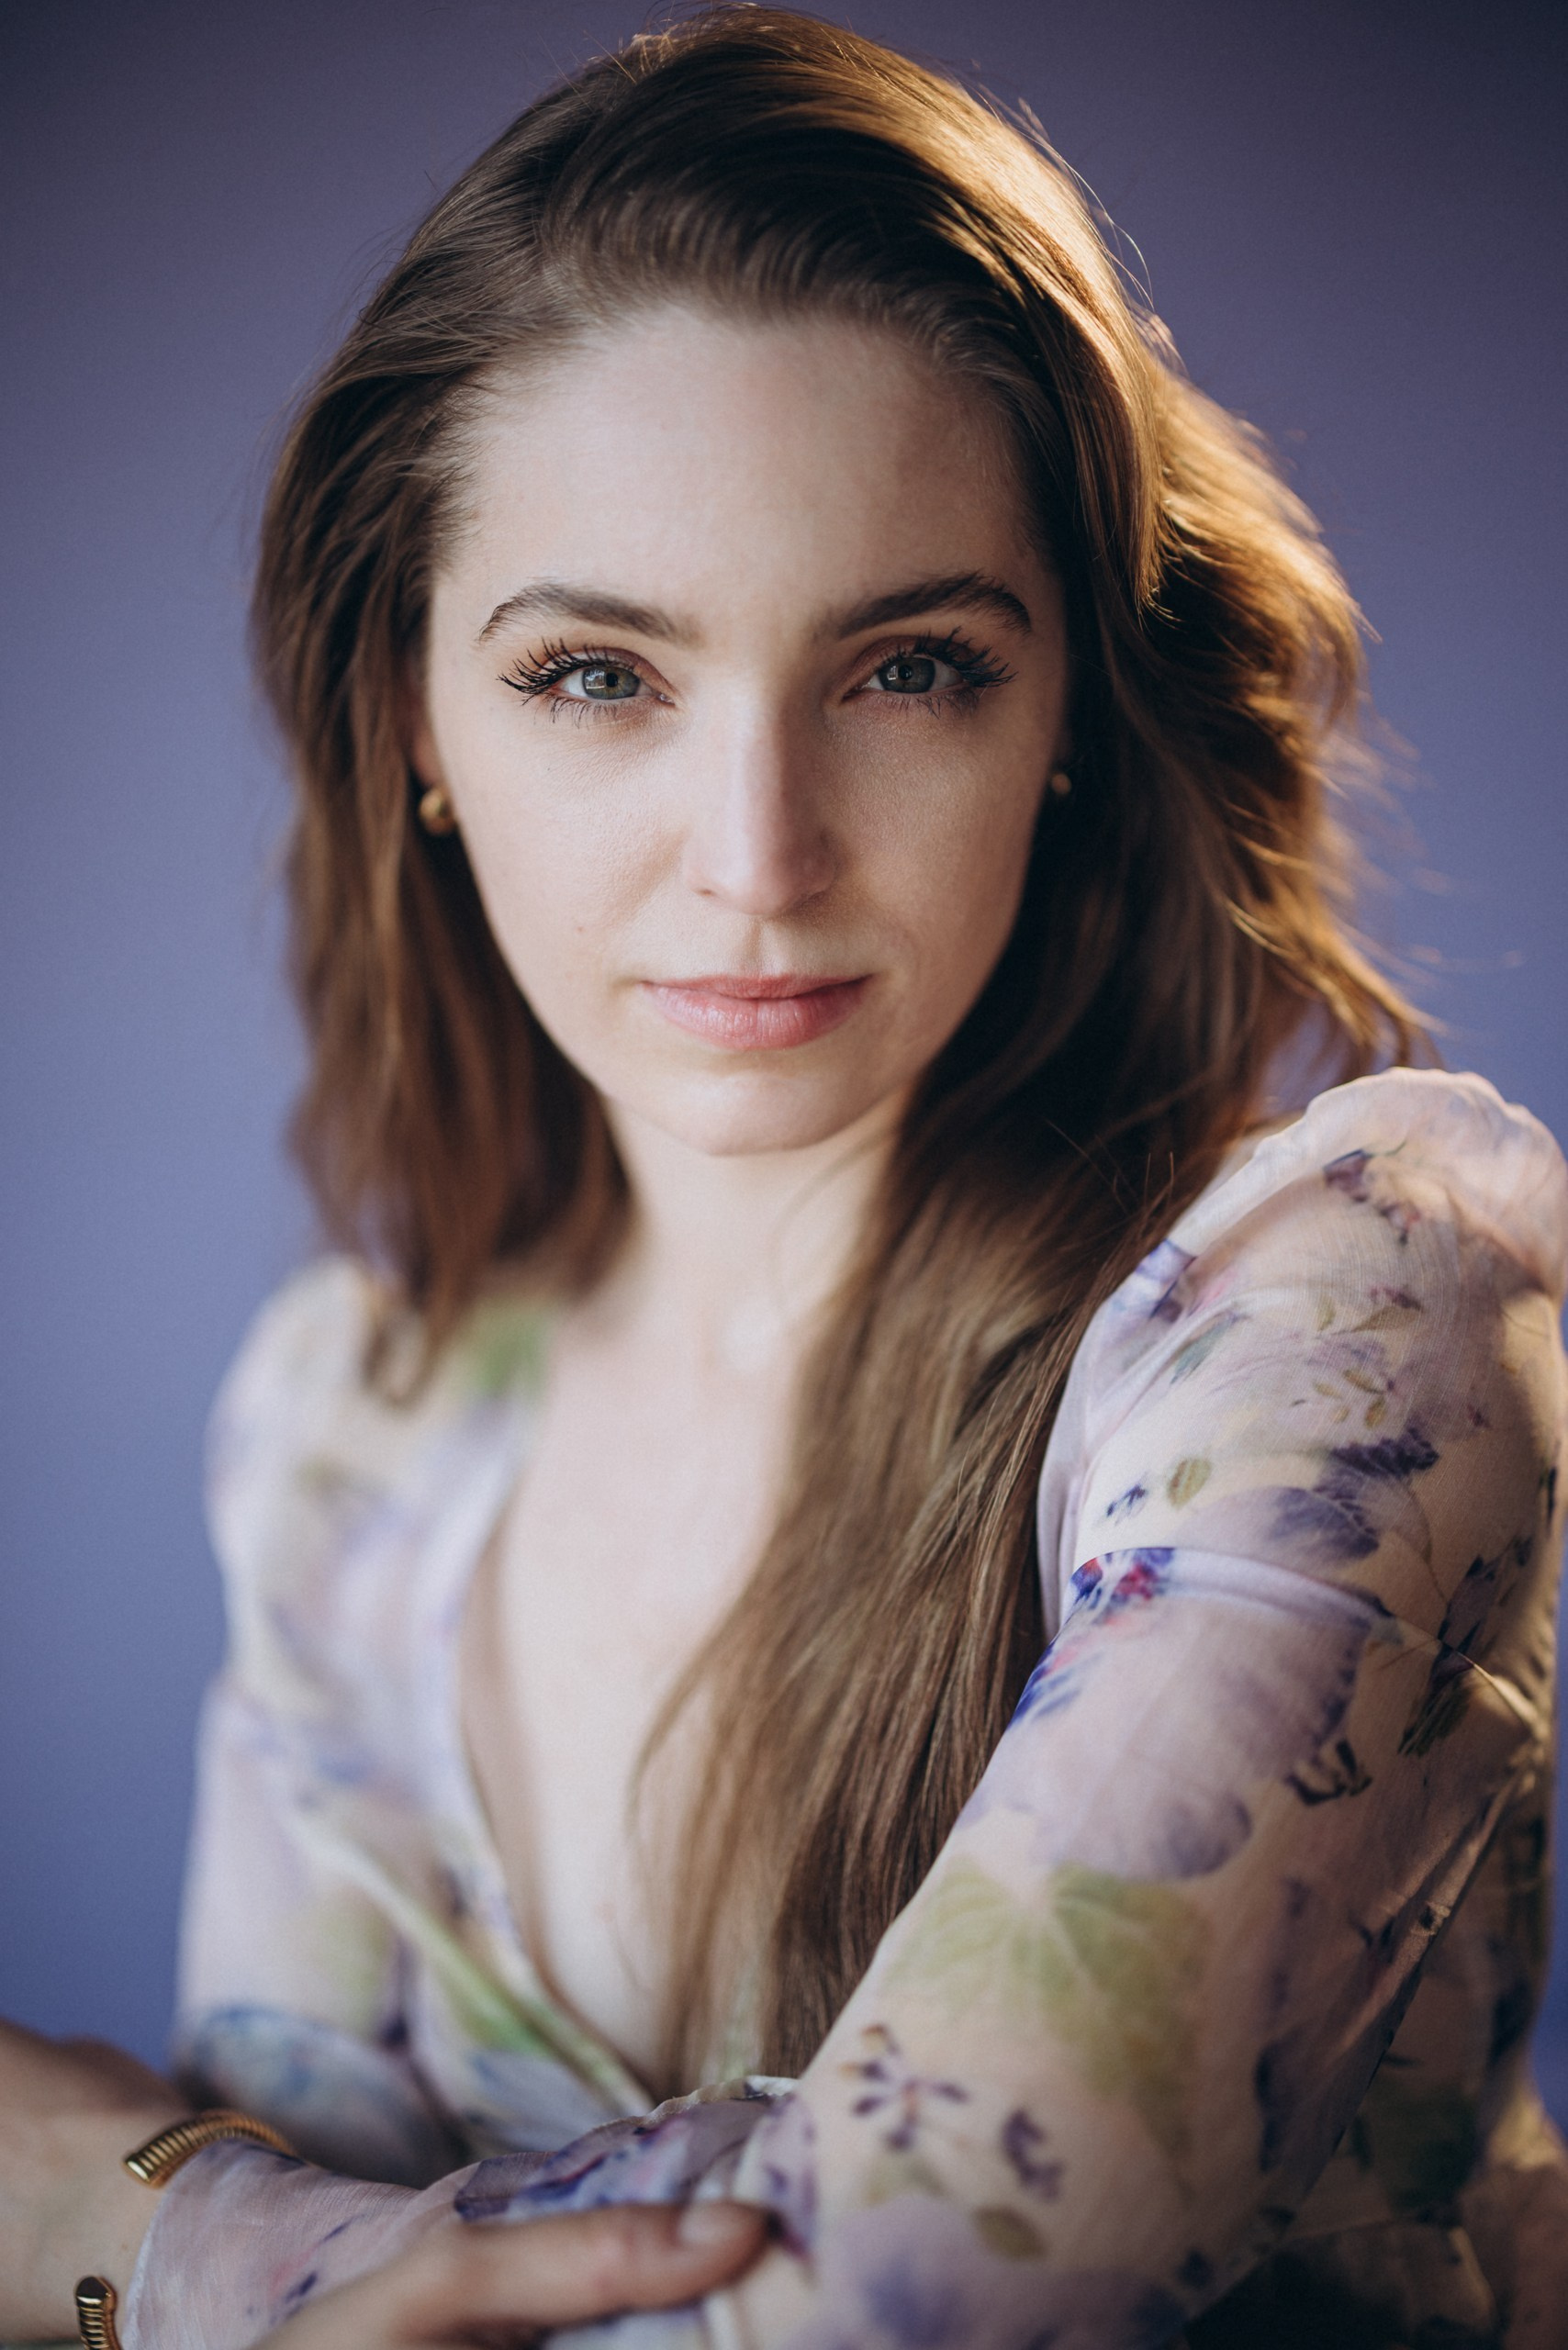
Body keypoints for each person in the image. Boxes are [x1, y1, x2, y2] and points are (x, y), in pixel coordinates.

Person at [3, 9, 1565, 2346]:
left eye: (908, 666)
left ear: (1067, 725)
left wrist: (123, 2219)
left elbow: (878, 2306)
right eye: (597, 677)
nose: (756, 860)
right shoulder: (354, 1432)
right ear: (416, 718)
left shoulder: (1339, 1327)